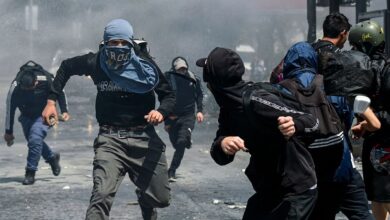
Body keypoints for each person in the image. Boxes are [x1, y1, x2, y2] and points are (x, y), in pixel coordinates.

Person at [41, 19, 175, 220]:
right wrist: (51, 101)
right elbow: (66, 67)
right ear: (105, 42)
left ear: (130, 42)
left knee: (161, 198)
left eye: (123, 43)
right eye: (113, 43)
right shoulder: (95, 62)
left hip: (144, 137)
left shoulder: (145, 65)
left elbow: (168, 94)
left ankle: (145, 198)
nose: (118, 47)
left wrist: (161, 112)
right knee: (101, 196)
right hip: (110, 140)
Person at [196, 47, 319, 220]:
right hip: (269, 189)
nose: (207, 86)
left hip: (296, 190)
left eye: (208, 81)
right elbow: (219, 156)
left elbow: (312, 121)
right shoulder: (228, 110)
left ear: (214, 82)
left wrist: (295, 124)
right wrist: (223, 144)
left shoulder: (257, 100)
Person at [309, 13, 375, 220]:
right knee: (359, 210)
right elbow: (359, 98)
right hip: (338, 144)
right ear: (344, 33)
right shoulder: (343, 60)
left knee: (322, 209)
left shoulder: (305, 55)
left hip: (310, 145)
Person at [349, 20, 390, 220]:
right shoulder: (376, 69)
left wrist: (369, 121)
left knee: (384, 198)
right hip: (378, 145)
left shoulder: (383, 72)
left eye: (356, 47)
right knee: (379, 197)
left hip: (384, 145)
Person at [4, 61, 69, 185]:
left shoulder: (47, 79)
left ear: (36, 82)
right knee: (35, 141)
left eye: (31, 88)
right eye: (25, 89)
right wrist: (8, 132)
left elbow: (60, 91)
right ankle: (52, 158)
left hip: (46, 114)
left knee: (34, 139)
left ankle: (30, 172)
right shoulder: (16, 86)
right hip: (26, 116)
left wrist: (64, 110)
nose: (28, 91)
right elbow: (9, 109)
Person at [164, 57, 204, 181]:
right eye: (179, 69)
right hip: (172, 116)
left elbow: (199, 95)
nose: (182, 72)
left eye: (184, 69)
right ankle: (186, 139)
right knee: (175, 142)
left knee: (181, 142)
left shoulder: (194, 79)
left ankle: (172, 170)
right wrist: (166, 119)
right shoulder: (168, 79)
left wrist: (200, 111)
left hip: (188, 115)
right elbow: (164, 98)